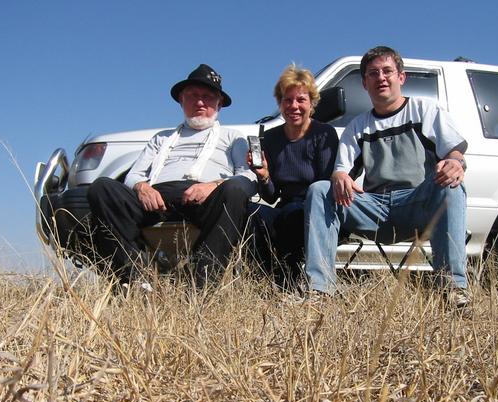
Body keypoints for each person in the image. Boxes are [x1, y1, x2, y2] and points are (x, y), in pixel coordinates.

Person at [304, 45, 470, 306]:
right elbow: (341, 170)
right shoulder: (357, 127)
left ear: (401, 77)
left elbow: (454, 152)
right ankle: (320, 291)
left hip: (417, 205)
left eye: (387, 71)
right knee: (320, 190)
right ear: (364, 83)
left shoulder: (425, 111)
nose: (380, 77)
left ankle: (454, 289)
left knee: (450, 185)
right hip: (375, 209)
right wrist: (339, 177)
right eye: (373, 73)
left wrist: (455, 162)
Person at [87, 64, 256, 290]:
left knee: (235, 190)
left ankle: (202, 284)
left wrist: (212, 186)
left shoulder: (233, 137)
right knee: (102, 187)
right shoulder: (161, 138)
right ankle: (134, 278)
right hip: (157, 197)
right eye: (193, 96)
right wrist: (142, 188)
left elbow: (246, 176)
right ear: (181, 100)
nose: (199, 102)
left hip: (205, 198)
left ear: (219, 104)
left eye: (207, 97)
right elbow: (135, 173)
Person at [248, 65, 339, 290]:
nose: (294, 106)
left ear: (312, 103)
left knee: (292, 216)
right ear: (280, 104)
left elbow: (326, 185)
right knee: (250, 213)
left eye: (301, 100)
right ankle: (268, 276)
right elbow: (270, 197)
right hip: (283, 206)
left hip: (316, 208)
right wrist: (264, 176)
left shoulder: (324, 134)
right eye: (287, 100)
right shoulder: (269, 138)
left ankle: (289, 279)